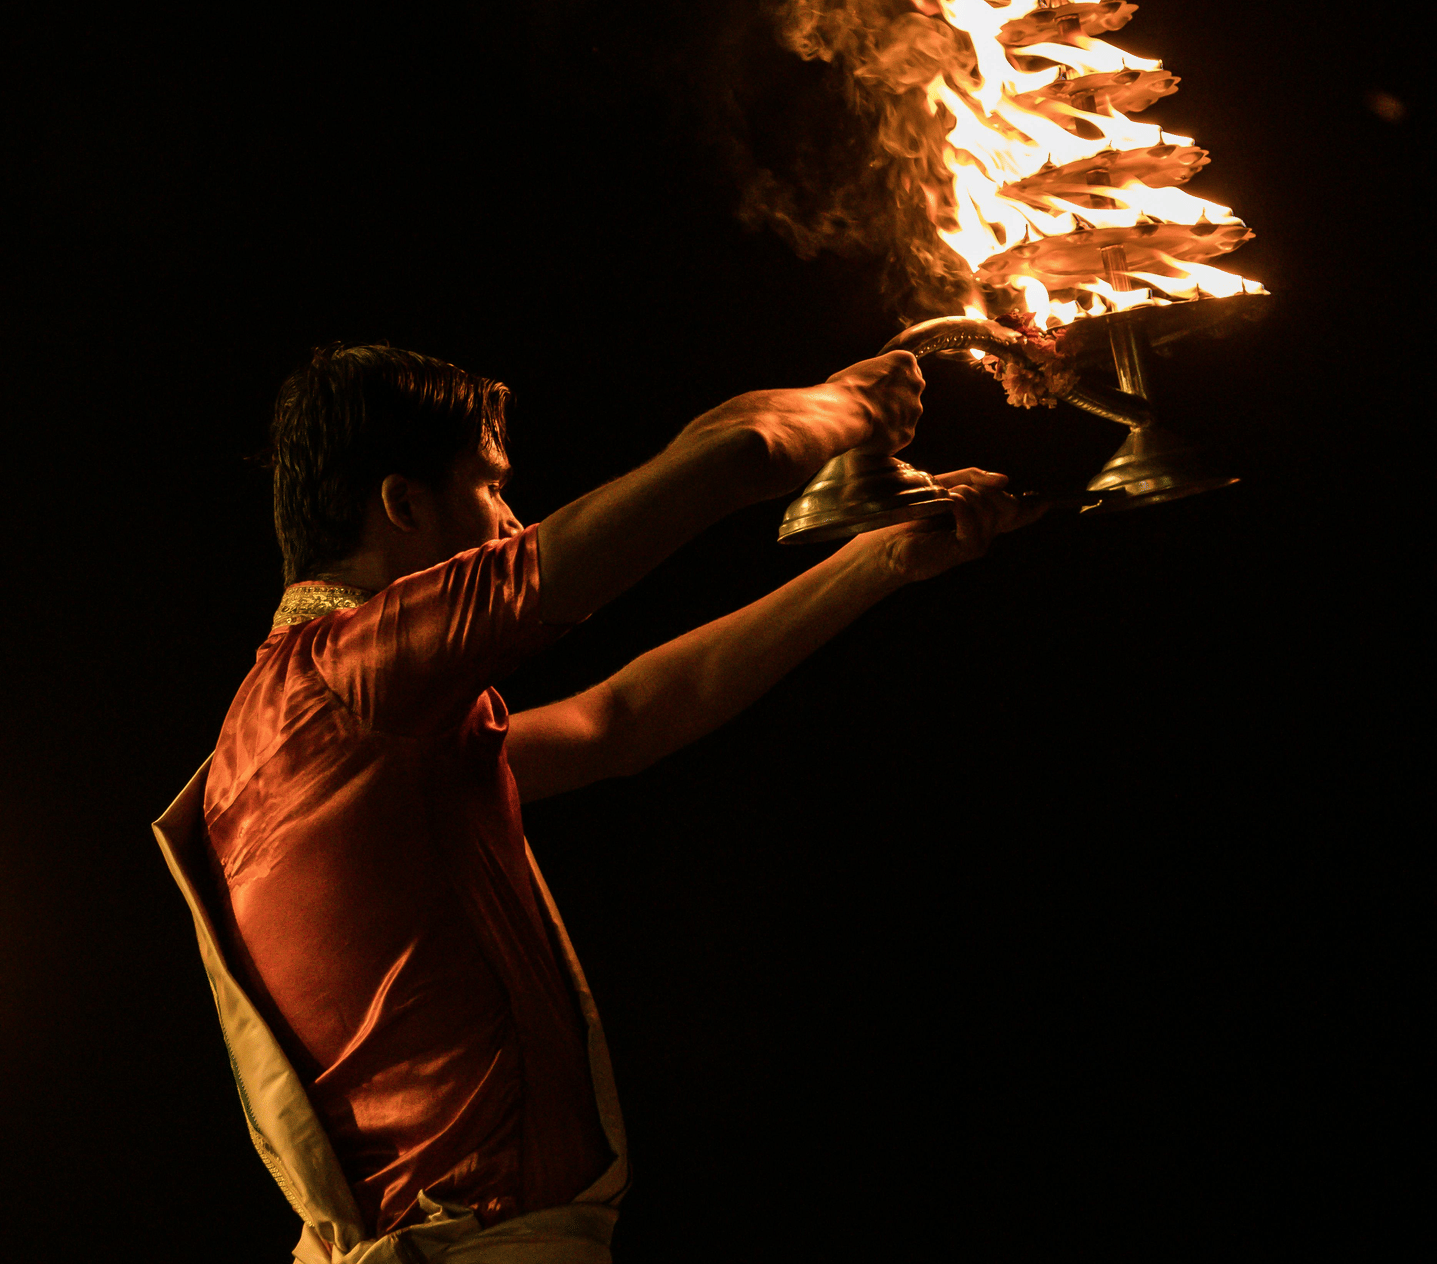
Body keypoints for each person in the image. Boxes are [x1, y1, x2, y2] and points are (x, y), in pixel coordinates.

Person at [153, 344, 1046, 1262]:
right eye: (490, 487)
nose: (511, 519)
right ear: (404, 506)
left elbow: (620, 721)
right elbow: (728, 459)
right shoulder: (350, 678)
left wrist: (882, 559)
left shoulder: (326, 728)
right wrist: (850, 410)